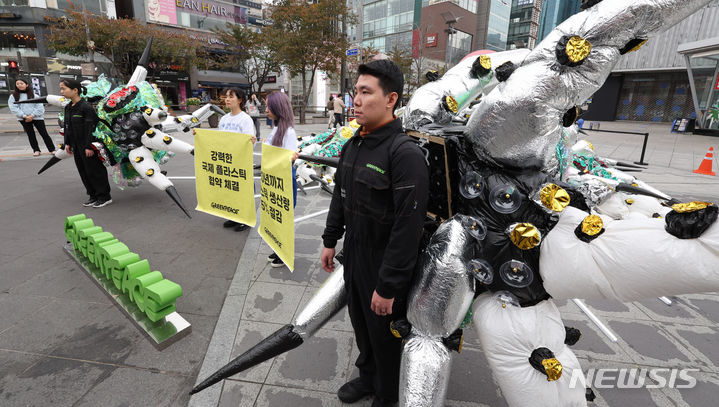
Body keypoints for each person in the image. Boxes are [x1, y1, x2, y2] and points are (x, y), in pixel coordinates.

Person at [320, 60, 429, 406]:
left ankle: (387, 394)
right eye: (356, 92)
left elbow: (407, 229)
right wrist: (329, 239)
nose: (357, 99)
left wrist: (388, 285)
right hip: (354, 253)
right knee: (361, 324)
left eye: (366, 92)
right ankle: (367, 378)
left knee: (384, 334)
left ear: (391, 99)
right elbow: (340, 194)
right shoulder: (356, 144)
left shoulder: (404, 155)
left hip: (385, 261)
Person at [60, 79, 112, 208]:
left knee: (95, 171)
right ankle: (93, 195)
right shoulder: (68, 107)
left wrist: (89, 146)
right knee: (83, 171)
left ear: (75, 90)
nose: (61, 92)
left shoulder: (86, 107)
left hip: (88, 145)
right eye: (61, 89)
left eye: (64, 89)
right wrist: (67, 143)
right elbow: (68, 127)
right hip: (76, 145)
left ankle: (104, 196)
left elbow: (91, 128)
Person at [264, 91, 299, 268]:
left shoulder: (289, 132)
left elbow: (290, 157)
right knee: (276, 217)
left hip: (284, 181)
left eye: (269, 106)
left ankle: (284, 253)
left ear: (279, 107)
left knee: (283, 218)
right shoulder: (277, 129)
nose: (266, 110)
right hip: (274, 181)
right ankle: (278, 250)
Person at [218, 87, 257, 232]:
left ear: (240, 100)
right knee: (230, 189)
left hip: (241, 161)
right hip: (227, 161)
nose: (227, 99)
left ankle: (245, 219)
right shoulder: (224, 119)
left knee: (244, 191)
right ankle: (234, 216)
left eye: (231, 96)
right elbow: (219, 139)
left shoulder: (245, 119)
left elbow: (250, 141)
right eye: (226, 96)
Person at [8, 78, 56, 157]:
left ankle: (52, 149)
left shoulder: (34, 95)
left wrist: (32, 115)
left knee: (44, 133)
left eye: (21, 83)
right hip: (23, 119)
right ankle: (36, 150)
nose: (19, 85)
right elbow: (13, 108)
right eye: (17, 84)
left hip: (37, 118)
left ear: (26, 85)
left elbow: (40, 107)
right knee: (31, 135)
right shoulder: (13, 96)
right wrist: (24, 116)